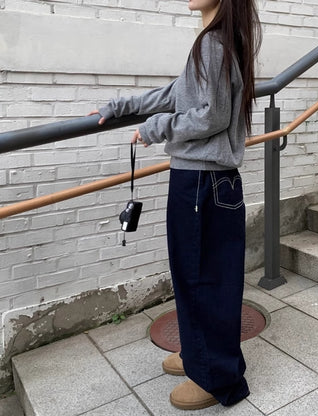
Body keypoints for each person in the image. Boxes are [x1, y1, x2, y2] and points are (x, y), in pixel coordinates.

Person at [90, 0, 261, 410]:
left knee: (204, 280)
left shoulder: (213, 44)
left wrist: (155, 128)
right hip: (204, 181)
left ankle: (217, 378)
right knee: (193, 276)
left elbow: (212, 116)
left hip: (203, 182)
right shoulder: (216, 41)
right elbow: (176, 93)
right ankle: (197, 355)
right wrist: (122, 107)